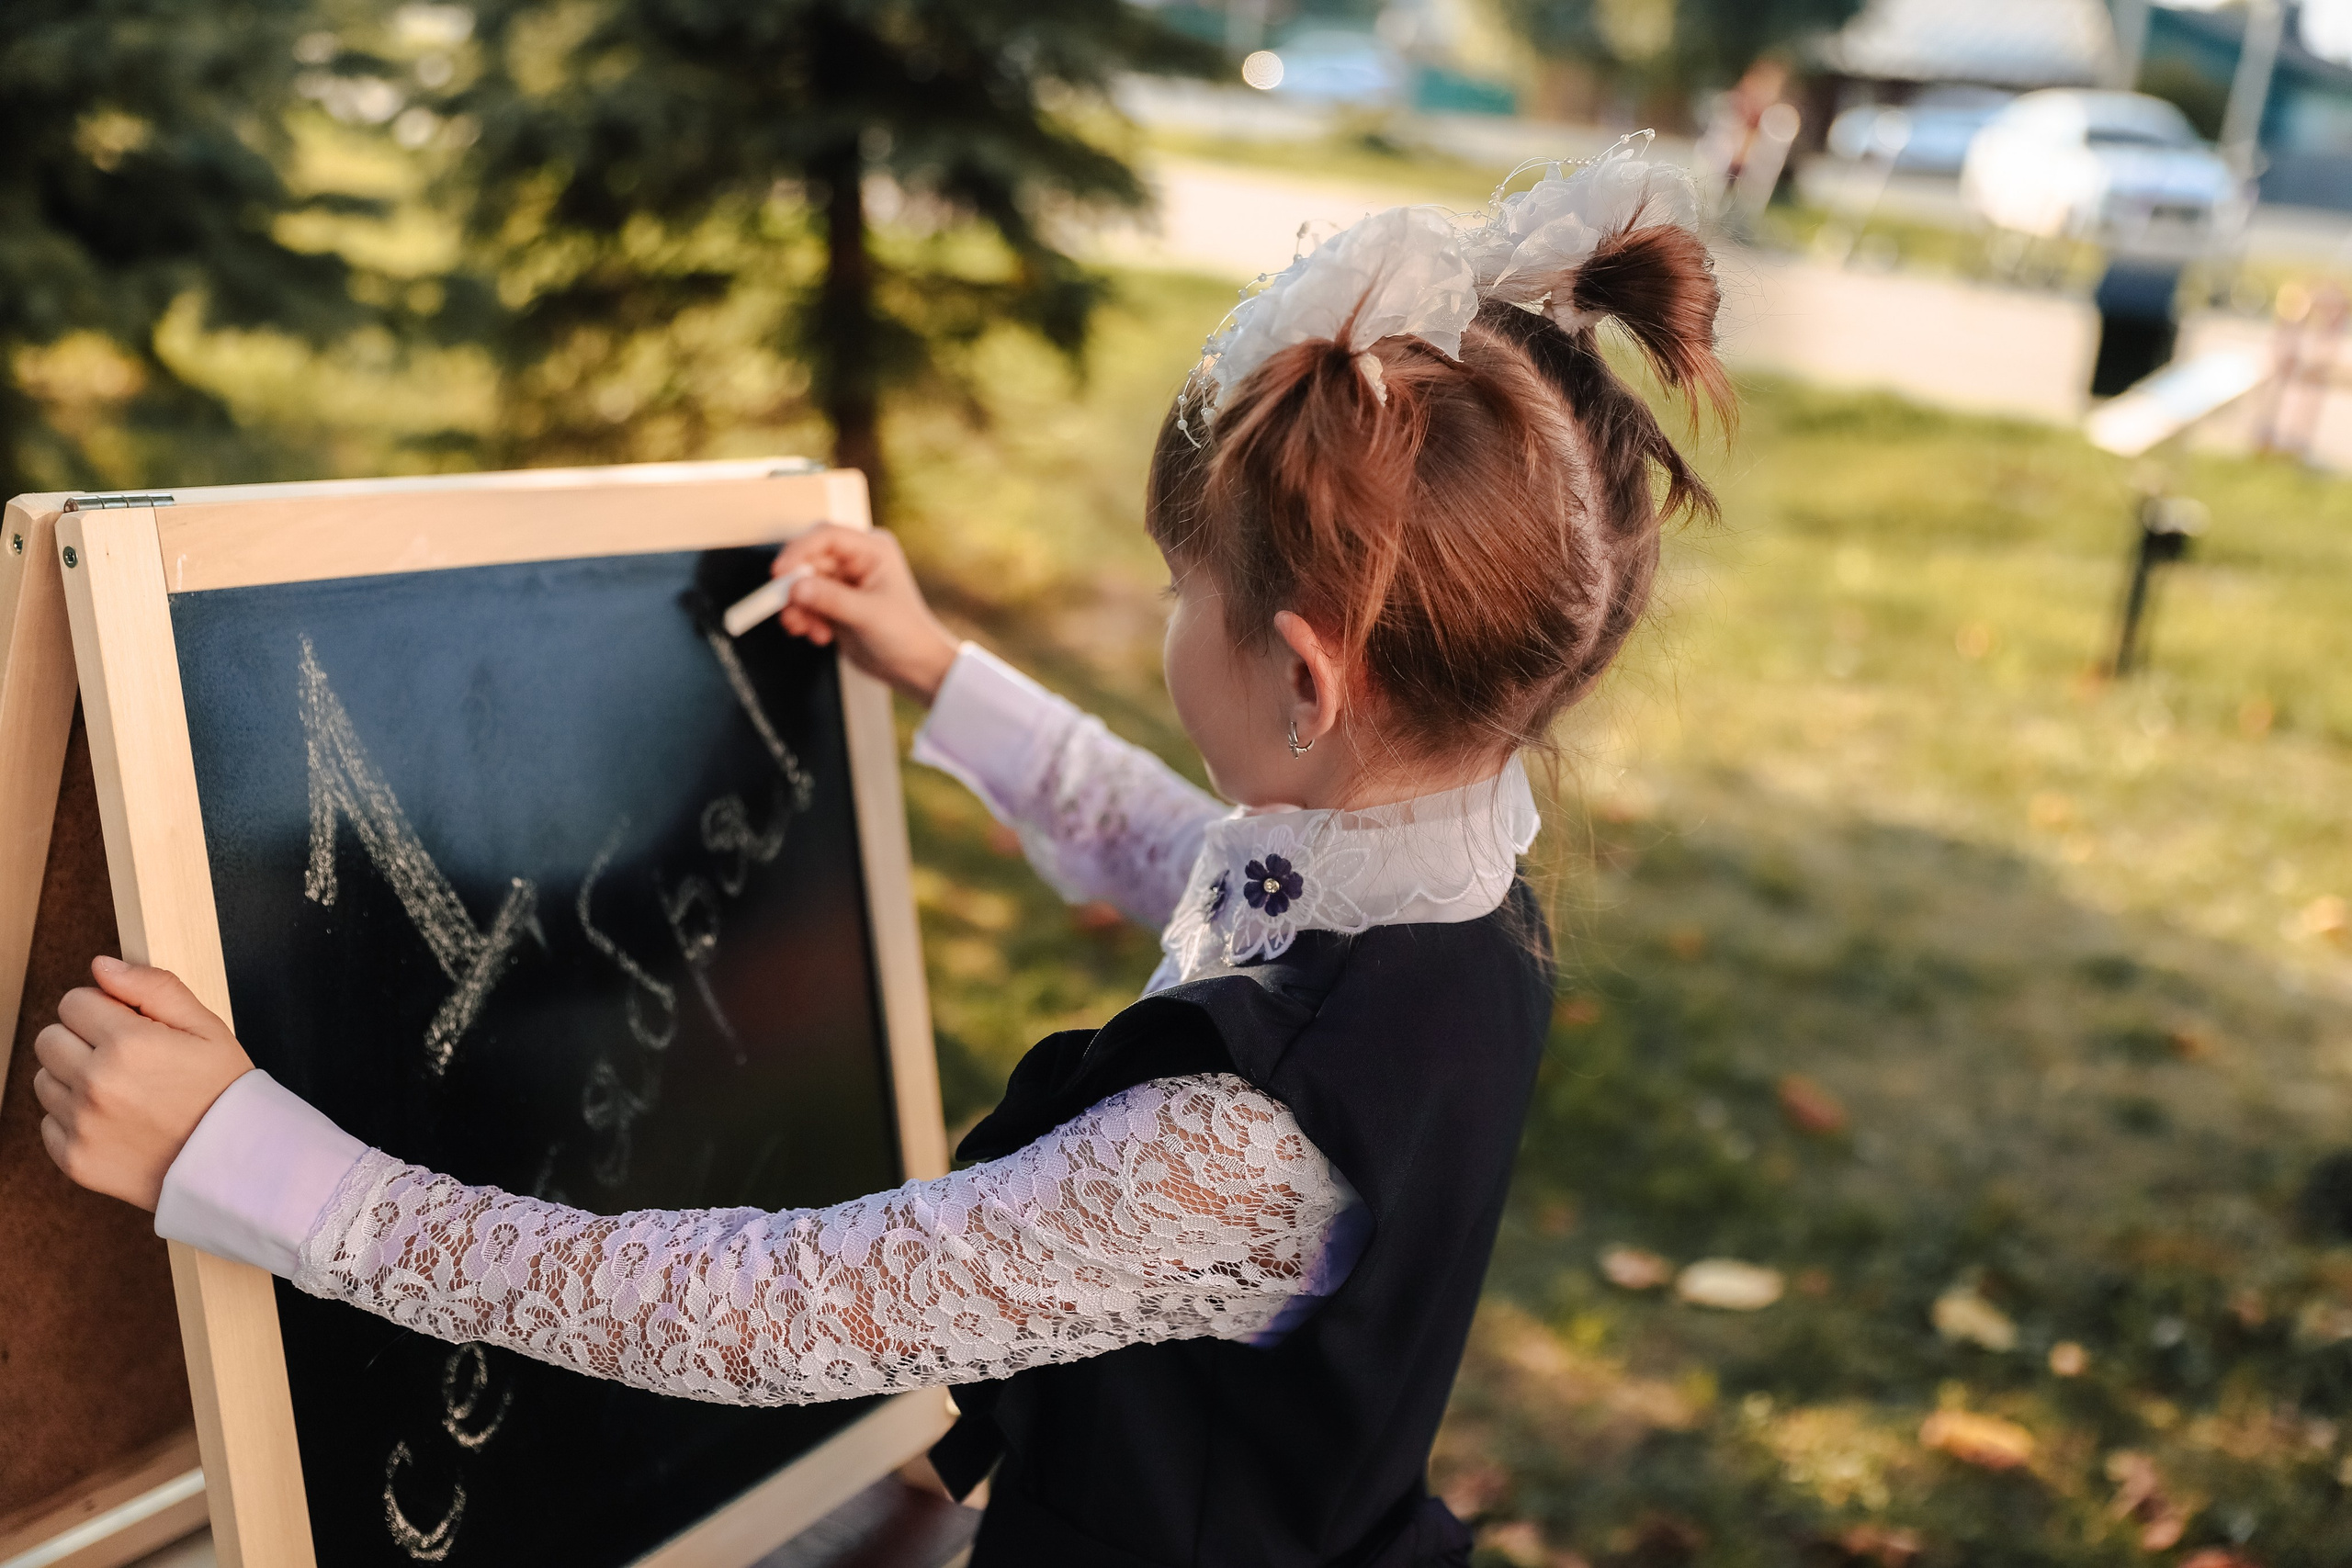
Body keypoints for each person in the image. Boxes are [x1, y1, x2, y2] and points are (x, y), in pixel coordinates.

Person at [30, 135, 1730, 1568]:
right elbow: (1192, 860)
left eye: (1177, 593)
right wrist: (946, 677)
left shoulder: (1230, 1156)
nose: (1160, 617)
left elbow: (766, 1312)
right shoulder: (1453, 871)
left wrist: (255, 1162)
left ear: (1304, 672)